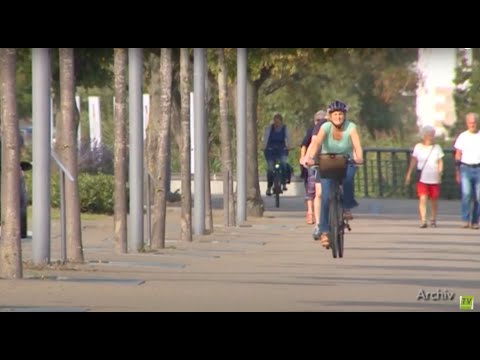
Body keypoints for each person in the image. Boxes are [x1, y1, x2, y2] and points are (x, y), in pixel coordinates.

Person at [300, 100, 363, 248]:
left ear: (345, 115)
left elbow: (357, 145)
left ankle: (346, 206)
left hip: (345, 160)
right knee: (325, 197)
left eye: (341, 114)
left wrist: (358, 158)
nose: (338, 117)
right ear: (330, 115)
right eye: (335, 114)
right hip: (327, 161)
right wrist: (309, 157)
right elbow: (315, 144)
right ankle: (324, 232)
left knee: (348, 178)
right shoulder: (325, 127)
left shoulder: (351, 127)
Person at [405, 125, 444, 228]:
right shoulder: (418, 147)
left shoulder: (437, 148)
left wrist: (440, 172)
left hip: (434, 177)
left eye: (432, 135)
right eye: (428, 135)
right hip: (422, 177)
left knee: (434, 199)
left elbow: (440, 162)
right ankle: (423, 220)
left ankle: (433, 219)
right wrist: (409, 173)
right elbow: (413, 160)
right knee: (423, 198)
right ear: (424, 136)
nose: (430, 137)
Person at [300, 110, 327, 224]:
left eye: (322, 120)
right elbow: (308, 144)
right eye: (317, 120)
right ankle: (311, 213)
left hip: (331, 160)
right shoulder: (312, 130)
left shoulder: (332, 128)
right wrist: (305, 157)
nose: (319, 123)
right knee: (313, 187)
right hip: (315, 160)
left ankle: (342, 208)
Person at [454, 112, 480, 229]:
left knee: (479, 197)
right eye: (470, 123)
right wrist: (457, 171)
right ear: (467, 123)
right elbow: (458, 154)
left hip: (478, 168)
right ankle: (465, 219)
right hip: (465, 168)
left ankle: (475, 221)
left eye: (474, 122)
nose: (472, 125)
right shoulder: (463, 136)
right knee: (466, 194)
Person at [262, 113, 291, 196]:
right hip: (270, 150)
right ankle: (269, 187)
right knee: (270, 168)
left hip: (281, 149)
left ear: (281, 121)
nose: (276, 123)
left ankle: (284, 182)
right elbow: (266, 138)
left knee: (283, 164)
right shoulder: (269, 128)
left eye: (278, 121)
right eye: (275, 121)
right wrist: (264, 147)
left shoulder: (285, 128)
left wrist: (288, 146)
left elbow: (288, 138)